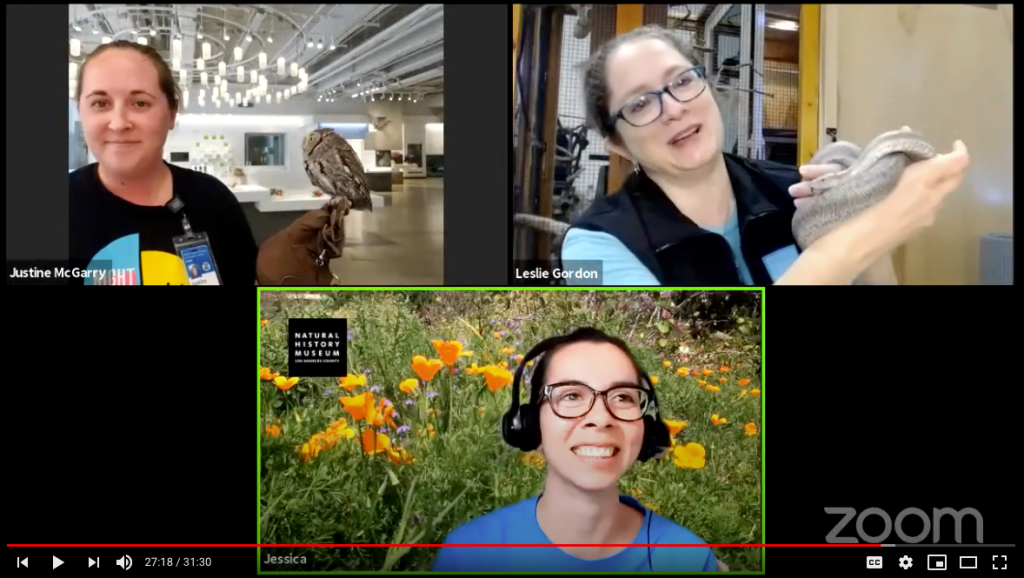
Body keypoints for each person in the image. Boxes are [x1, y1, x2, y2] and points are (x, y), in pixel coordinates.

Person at [561, 25, 970, 285]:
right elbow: (718, 381)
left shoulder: (791, 190)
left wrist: (865, 223)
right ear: (616, 143)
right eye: (639, 104)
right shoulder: (594, 246)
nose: (673, 108)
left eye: (683, 80)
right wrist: (863, 237)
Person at [432, 328, 719, 572]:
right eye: (571, 395)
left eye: (622, 397)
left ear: (648, 430)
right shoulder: (470, 554)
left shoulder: (689, 558)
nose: (601, 418)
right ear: (529, 425)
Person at [69, 40, 258, 285]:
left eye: (140, 103)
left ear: (171, 113)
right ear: (81, 112)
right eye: (100, 103)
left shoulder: (213, 199)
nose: (118, 123)